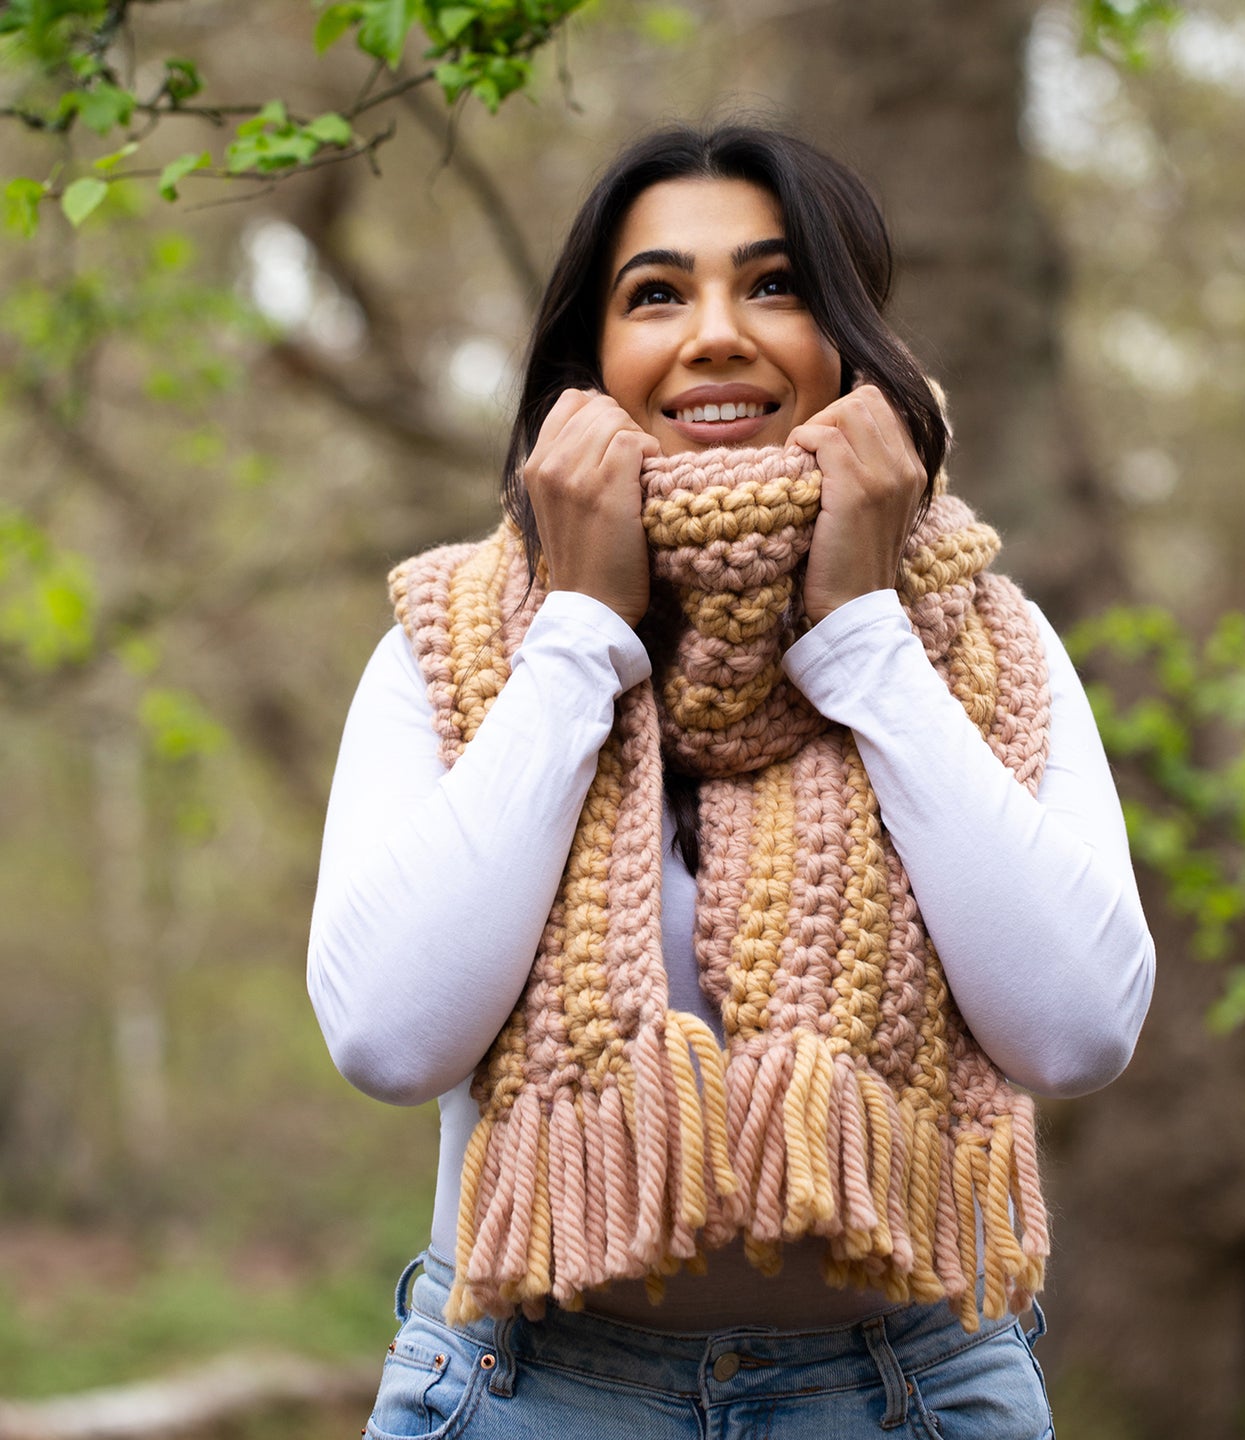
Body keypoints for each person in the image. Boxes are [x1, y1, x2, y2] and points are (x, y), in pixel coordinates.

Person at [308, 123, 1155, 1440]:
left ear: (855, 345)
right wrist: (580, 634)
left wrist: (867, 639)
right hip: (526, 1393)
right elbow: (390, 1040)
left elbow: (1079, 1030)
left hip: (913, 1397)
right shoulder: (458, 643)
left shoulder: (984, 644)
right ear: (589, 367)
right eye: (657, 294)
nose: (717, 334)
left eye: (775, 285)